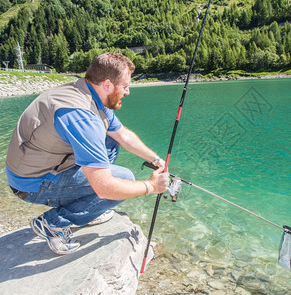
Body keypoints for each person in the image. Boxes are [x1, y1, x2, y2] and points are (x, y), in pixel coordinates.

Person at [5, 52, 169, 255]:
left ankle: (88, 206)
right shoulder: (81, 116)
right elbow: (105, 188)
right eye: (125, 86)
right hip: (31, 184)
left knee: (111, 142)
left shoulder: (88, 91)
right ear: (108, 85)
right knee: (124, 179)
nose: (128, 91)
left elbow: (123, 135)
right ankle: (53, 224)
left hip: (35, 166)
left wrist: (155, 160)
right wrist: (150, 187)